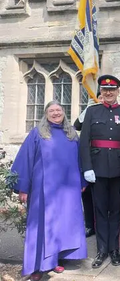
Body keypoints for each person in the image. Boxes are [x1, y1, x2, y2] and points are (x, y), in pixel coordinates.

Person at [12, 101, 87, 281]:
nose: (55, 113)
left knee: (61, 224)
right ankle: (37, 266)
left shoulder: (72, 136)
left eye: (58, 110)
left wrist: (82, 181)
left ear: (64, 113)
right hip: (42, 190)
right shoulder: (37, 134)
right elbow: (25, 159)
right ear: (46, 114)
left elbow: (80, 160)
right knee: (41, 226)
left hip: (66, 190)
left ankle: (55, 259)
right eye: (51, 111)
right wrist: (23, 187)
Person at [80, 75, 120, 268]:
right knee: (100, 212)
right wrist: (87, 168)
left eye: (112, 89)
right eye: (105, 90)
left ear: (118, 91)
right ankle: (102, 250)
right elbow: (84, 142)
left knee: (116, 212)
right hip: (97, 170)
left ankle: (114, 249)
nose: (108, 92)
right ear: (101, 93)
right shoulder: (92, 112)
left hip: (119, 171)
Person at [74, 91, 103, 238]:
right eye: (99, 97)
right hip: (87, 158)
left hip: (103, 161)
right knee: (87, 195)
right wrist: (87, 109)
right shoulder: (90, 112)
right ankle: (90, 225)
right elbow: (76, 126)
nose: (101, 99)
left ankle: (101, 226)